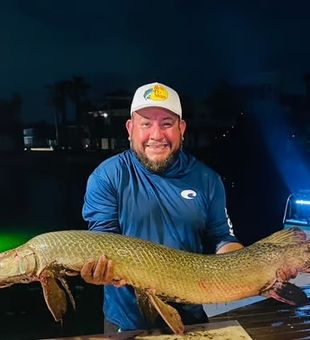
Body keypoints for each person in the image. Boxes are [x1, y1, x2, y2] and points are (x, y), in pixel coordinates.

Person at [81, 82, 243, 333]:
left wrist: (244, 264)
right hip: (127, 321)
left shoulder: (207, 179)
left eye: (166, 123)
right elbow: (103, 240)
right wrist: (97, 268)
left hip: (190, 317)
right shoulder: (107, 176)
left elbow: (222, 238)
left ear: (181, 128)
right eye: (146, 123)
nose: (156, 135)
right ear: (130, 128)